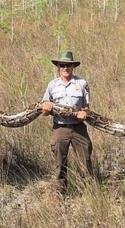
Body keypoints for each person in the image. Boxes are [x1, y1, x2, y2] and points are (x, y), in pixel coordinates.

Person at [42, 51, 93, 194]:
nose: (65, 68)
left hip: (78, 128)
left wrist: (85, 113)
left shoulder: (82, 84)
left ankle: (89, 193)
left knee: (85, 161)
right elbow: (44, 111)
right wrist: (46, 108)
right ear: (58, 66)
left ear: (73, 66)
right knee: (60, 163)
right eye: (62, 65)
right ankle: (60, 193)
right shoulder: (52, 85)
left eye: (68, 65)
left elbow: (87, 109)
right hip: (60, 127)